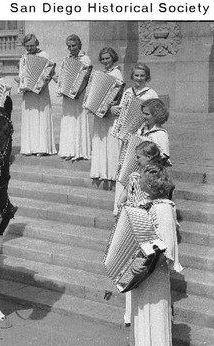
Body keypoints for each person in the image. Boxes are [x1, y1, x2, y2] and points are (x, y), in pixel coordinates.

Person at [127, 164, 181, 346]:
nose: (138, 183)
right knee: (142, 314)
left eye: (142, 180)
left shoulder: (164, 209)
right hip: (143, 271)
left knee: (155, 315)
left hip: (155, 273)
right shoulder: (146, 205)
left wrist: (144, 266)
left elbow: (165, 247)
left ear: (150, 184)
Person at [116, 140, 168, 327]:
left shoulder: (156, 176)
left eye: (138, 157)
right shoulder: (134, 176)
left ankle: (140, 316)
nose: (136, 160)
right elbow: (123, 198)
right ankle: (130, 315)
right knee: (131, 267)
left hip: (145, 225)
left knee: (141, 267)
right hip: (132, 221)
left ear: (149, 158)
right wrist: (124, 206)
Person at [111, 63, 159, 214]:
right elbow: (122, 110)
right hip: (126, 136)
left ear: (147, 77)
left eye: (142, 76)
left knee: (137, 171)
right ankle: (118, 207)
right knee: (123, 169)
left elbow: (156, 115)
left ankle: (136, 206)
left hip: (141, 137)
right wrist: (115, 109)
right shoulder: (127, 92)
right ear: (132, 76)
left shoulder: (151, 94)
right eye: (136, 75)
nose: (139, 78)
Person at [17, 34, 56, 156]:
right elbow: (22, 75)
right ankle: (29, 148)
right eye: (27, 46)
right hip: (28, 94)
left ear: (36, 43)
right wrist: (22, 84)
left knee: (41, 118)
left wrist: (42, 85)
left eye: (32, 46)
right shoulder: (23, 58)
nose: (29, 48)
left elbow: (50, 73)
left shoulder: (44, 55)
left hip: (41, 94)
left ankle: (42, 148)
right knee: (30, 119)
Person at [89, 47, 124, 182]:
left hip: (109, 113)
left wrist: (109, 107)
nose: (105, 61)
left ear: (113, 58)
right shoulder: (101, 73)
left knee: (110, 141)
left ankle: (112, 172)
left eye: (107, 58)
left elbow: (118, 95)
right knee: (100, 140)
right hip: (99, 113)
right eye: (103, 59)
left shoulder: (116, 73)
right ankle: (100, 170)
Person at [57, 34, 92, 161]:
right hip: (67, 95)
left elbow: (87, 78)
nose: (71, 48)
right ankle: (68, 150)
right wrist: (61, 87)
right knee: (68, 120)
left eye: (74, 45)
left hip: (79, 95)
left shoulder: (85, 59)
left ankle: (79, 151)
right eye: (69, 46)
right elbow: (63, 75)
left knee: (78, 120)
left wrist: (78, 92)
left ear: (79, 45)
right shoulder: (66, 59)